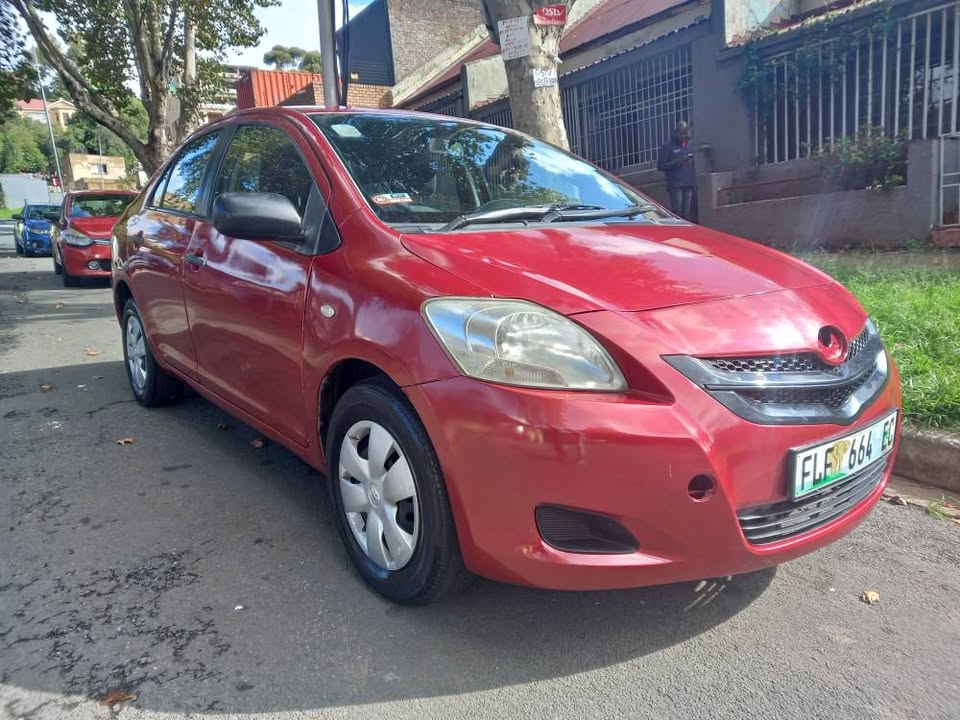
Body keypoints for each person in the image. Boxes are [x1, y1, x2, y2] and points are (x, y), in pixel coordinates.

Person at [657, 121, 696, 221]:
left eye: (685, 133)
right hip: (675, 184)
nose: (683, 135)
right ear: (676, 132)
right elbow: (660, 166)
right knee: (677, 213)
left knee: (687, 214)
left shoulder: (691, 144)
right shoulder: (668, 146)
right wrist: (679, 161)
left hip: (689, 183)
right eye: (681, 133)